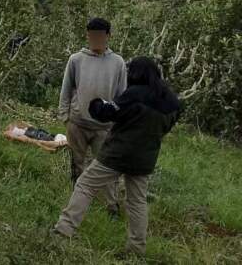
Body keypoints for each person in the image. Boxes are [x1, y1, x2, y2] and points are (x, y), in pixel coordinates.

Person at [54, 57, 180, 256]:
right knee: (137, 202)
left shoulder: (135, 94)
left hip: (117, 154)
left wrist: (96, 103)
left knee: (86, 185)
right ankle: (136, 249)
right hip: (145, 159)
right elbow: (165, 128)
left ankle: (63, 230)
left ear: (137, 73)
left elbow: (107, 113)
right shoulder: (172, 102)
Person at [58, 17, 126, 217]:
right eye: (91, 36)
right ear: (88, 36)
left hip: (104, 127)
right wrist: (65, 116)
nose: (95, 39)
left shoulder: (118, 63)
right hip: (77, 123)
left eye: (99, 36)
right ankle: (77, 204)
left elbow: (122, 95)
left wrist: (119, 121)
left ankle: (112, 207)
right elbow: (66, 88)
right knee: (77, 164)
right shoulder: (76, 59)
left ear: (108, 36)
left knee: (107, 167)